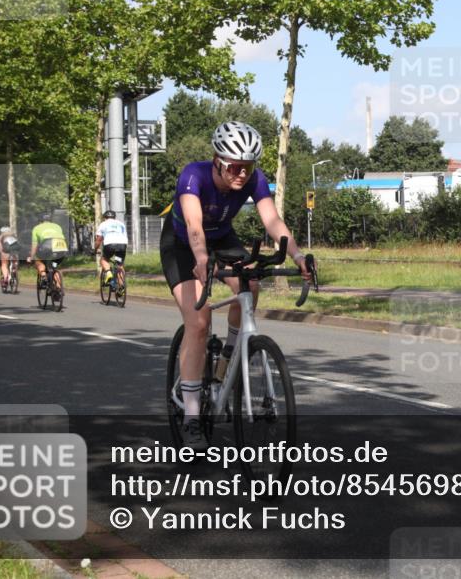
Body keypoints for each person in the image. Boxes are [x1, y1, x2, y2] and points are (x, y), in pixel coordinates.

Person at [161, 121, 312, 449]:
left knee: (250, 286)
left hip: (222, 238)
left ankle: (227, 359)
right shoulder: (193, 176)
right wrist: (200, 258)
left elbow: (272, 220)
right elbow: (193, 224)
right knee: (199, 323)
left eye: (248, 167)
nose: (242, 174)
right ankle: (190, 417)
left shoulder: (254, 179)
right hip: (182, 244)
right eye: (234, 167)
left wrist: (297, 255)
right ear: (217, 160)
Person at [27, 213, 69, 285]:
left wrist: (31, 257)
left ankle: (43, 275)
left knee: (38, 259)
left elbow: (35, 245)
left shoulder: (36, 228)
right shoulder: (57, 226)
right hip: (61, 246)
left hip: (48, 245)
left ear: (40, 221)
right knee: (54, 266)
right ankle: (58, 288)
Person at [96, 210, 128, 290]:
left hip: (110, 245)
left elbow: (99, 239)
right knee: (119, 264)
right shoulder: (121, 224)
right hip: (122, 245)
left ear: (105, 218)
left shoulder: (103, 224)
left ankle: (108, 272)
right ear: (114, 217)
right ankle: (121, 288)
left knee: (104, 260)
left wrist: (95, 249)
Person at [0, 226, 20, 291]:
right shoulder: (13, 235)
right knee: (14, 261)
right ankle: (14, 269)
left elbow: (0, 248)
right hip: (15, 249)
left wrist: (1, 253)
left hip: (6, 249)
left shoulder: (1, 236)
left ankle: (5, 279)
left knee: (4, 264)